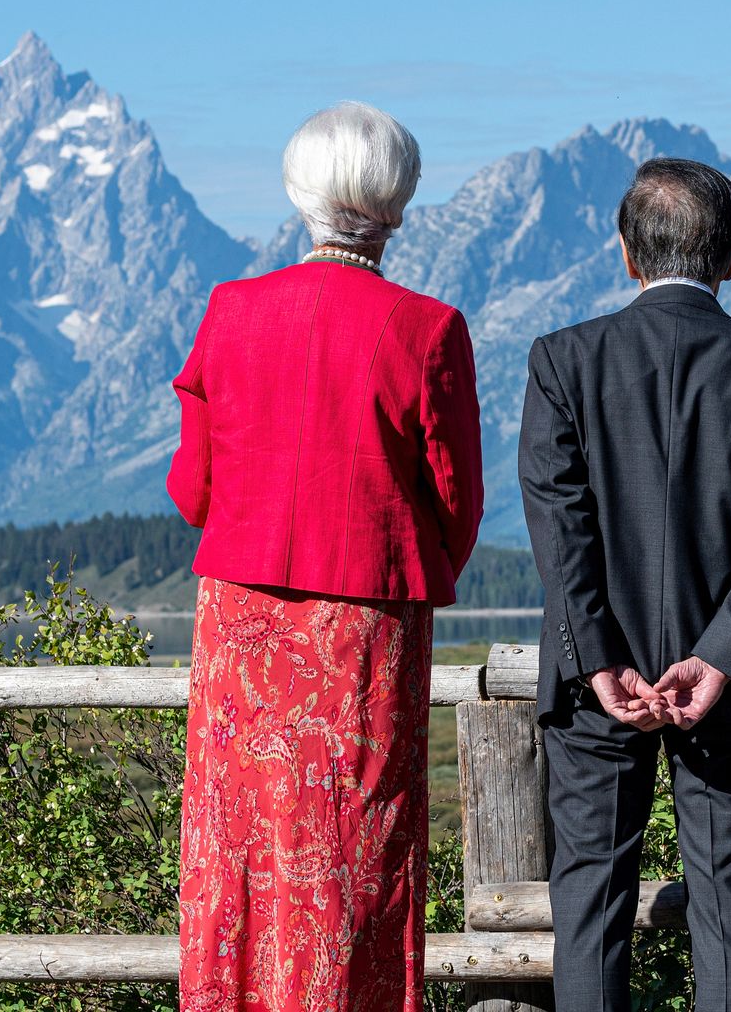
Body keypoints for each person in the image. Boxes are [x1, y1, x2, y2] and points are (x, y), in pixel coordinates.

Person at [166, 101, 482, 1011]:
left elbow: (194, 493)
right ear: (398, 204)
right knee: (355, 847)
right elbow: (456, 505)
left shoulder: (231, 312)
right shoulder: (427, 329)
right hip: (364, 630)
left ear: (300, 194)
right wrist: (408, 562)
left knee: (239, 850)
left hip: (242, 622)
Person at [520, 156, 731, 1011]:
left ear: (626, 253)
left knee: (589, 904)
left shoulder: (561, 361)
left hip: (593, 691)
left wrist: (600, 659)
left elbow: (560, 527)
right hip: (725, 691)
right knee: (730, 906)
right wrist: (721, 658)